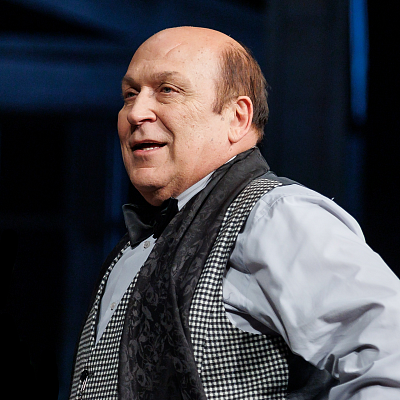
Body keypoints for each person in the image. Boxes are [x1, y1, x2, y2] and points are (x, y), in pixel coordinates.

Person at [69, 26, 400, 400]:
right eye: (130, 94)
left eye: (167, 90)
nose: (136, 112)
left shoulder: (275, 217)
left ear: (237, 117)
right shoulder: (131, 249)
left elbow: (391, 354)